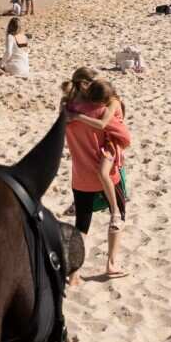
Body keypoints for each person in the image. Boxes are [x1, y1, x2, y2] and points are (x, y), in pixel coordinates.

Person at [62, 69, 131, 280]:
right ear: (86, 84)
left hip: (81, 177)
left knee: (82, 225)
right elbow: (123, 136)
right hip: (108, 175)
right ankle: (112, 264)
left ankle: (74, 273)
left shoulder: (67, 111)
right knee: (118, 216)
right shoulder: (102, 109)